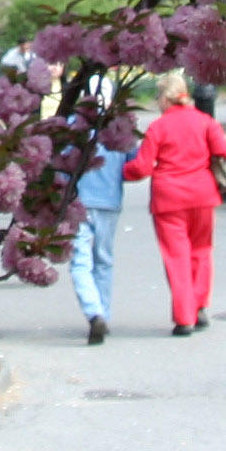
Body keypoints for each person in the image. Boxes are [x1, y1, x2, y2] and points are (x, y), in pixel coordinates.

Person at [133, 78, 226, 335]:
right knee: (201, 250)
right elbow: (225, 150)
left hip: (168, 199)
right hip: (202, 195)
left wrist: (121, 172)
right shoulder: (205, 121)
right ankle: (200, 307)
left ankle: (184, 317)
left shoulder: (158, 127)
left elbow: (142, 167)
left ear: (165, 99)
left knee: (176, 256)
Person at [68, 132, 129, 345]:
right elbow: (133, 164)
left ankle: (94, 312)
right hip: (109, 200)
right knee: (103, 260)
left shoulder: (74, 127)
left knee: (80, 262)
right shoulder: (119, 127)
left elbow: (61, 165)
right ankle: (103, 313)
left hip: (78, 201)